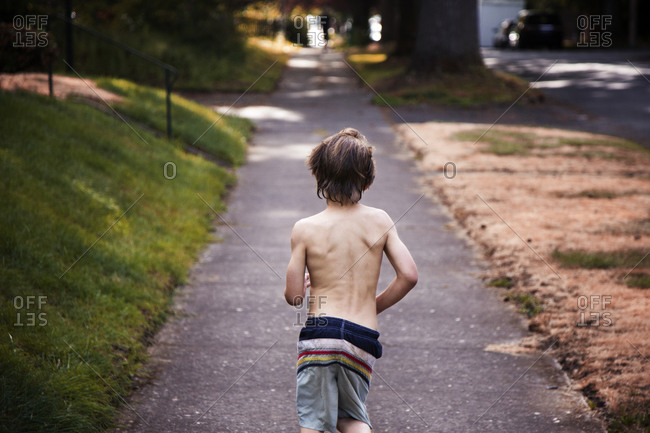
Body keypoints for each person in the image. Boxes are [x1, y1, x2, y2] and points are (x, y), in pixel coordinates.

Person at [285, 128, 418, 433]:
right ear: (367, 180)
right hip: (361, 335)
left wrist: (302, 282)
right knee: (351, 418)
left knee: (314, 420)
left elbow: (294, 297)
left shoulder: (304, 228)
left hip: (320, 331)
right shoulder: (380, 220)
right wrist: (373, 306)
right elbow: (409, 275)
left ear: (318, 175)